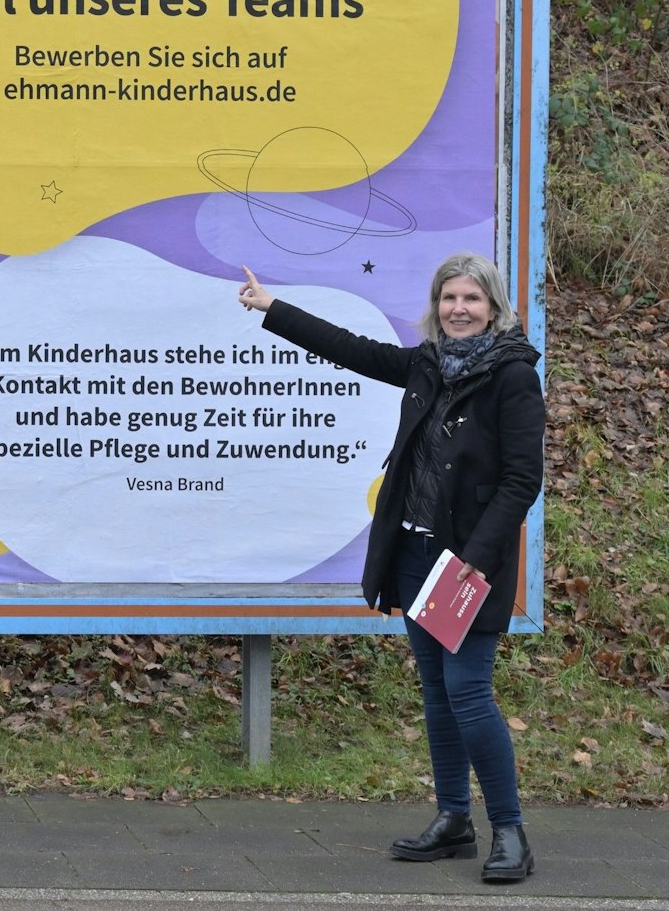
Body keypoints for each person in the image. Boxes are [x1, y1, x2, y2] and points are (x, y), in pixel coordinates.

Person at [238, 254, 542, 884]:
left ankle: (509, 830)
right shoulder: (425, 365)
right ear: (436, 306)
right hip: (412, 555)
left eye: (472, 299)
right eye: (449, 298)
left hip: (468, 565)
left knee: (469, 694)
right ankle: (454, 819)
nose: (459, 309)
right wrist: (274, 308)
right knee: (436, 692)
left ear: (494, 308)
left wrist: (473, 562)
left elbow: (521, 481)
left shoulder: (513, 377)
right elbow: (350, 349)